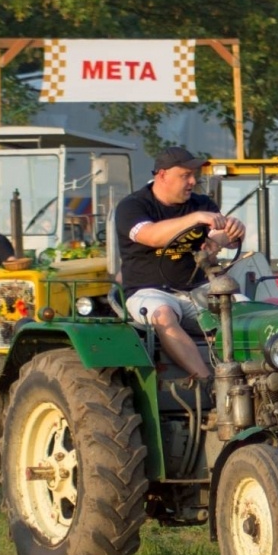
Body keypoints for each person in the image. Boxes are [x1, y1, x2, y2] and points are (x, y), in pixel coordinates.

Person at [114, 147, 246, 382]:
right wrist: (195, 219)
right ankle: (211, 384)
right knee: (163, 315)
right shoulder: (132, 206)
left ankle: (260, 376)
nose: (193, 181)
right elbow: (152, 236)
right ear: (162, 175)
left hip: (197, 289)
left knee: (246, 309)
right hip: (149, 291)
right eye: (185, 175)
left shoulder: (201, 203)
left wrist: (230, 232)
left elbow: (220, 234)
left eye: (194, 175)